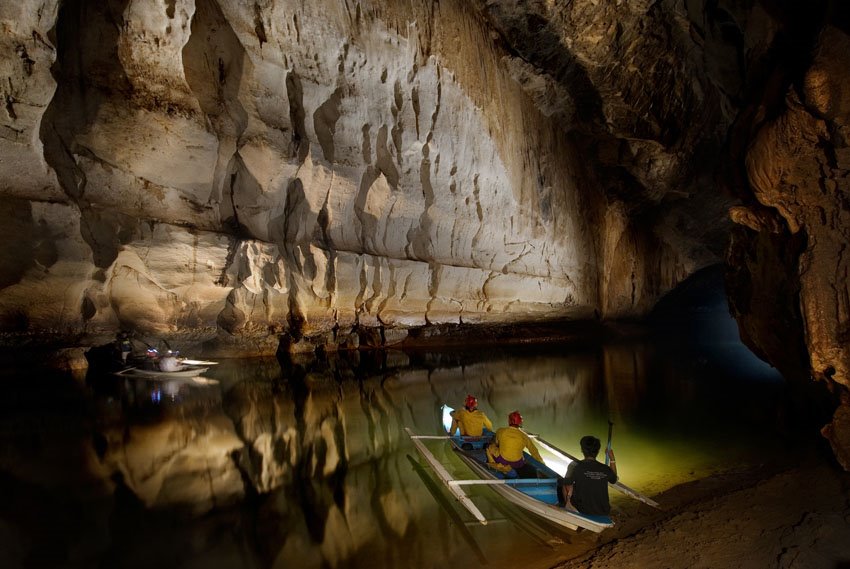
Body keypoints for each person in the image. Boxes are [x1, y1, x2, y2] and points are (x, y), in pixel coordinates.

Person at [557, 435, 618, 516]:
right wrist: (612, 459)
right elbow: (614, 479)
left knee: (565, 483)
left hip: (582, 510)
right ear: (598, 451)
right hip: (603, 510)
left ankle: (569, 508)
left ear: (582, 450)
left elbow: (567, 485)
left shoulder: (574, 466)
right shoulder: (605, 468)